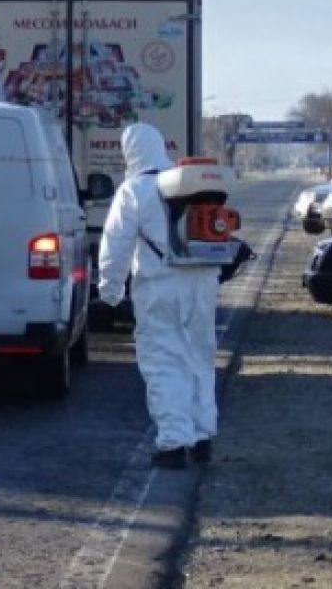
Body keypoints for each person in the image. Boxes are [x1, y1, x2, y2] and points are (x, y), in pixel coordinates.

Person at [97, 122, 220, 469]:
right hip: (201, 283)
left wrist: (109, 293)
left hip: (160, 286)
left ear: (130, 152)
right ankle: (202, 436)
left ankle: (172, 444)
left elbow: (115, 245)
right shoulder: (190, 183)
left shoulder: (134, 189)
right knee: (199, 357)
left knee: (164, 360)